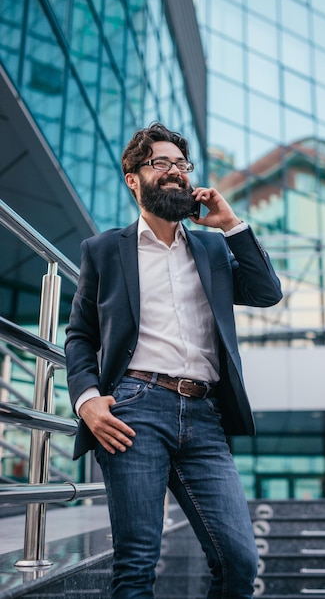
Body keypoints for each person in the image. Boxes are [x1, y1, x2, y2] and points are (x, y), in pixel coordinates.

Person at [65, 122, 282, 598]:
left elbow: (267, 293)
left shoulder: (211, 248)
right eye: (160, 163)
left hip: (205, 417)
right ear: (133, 177)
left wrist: (230, 224)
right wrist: (87, 400)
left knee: (240, 561)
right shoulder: (103, 250)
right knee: (138, 562)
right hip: (133, 409)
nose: (175, 172)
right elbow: (80, 336)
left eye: (181, 165)